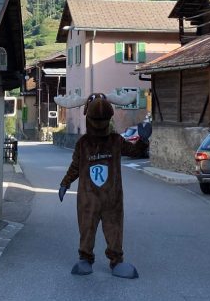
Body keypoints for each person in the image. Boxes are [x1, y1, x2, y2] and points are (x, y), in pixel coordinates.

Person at [58, 93, 147, 278]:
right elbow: (75, 166)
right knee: (87, 227)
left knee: (114, 228)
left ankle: (116, 260)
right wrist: (65, 183)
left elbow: (134, 151)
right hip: (90, 198)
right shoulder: (83, 143)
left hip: (110, 199)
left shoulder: (115, 140)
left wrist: (143, 139)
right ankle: (85, 258)